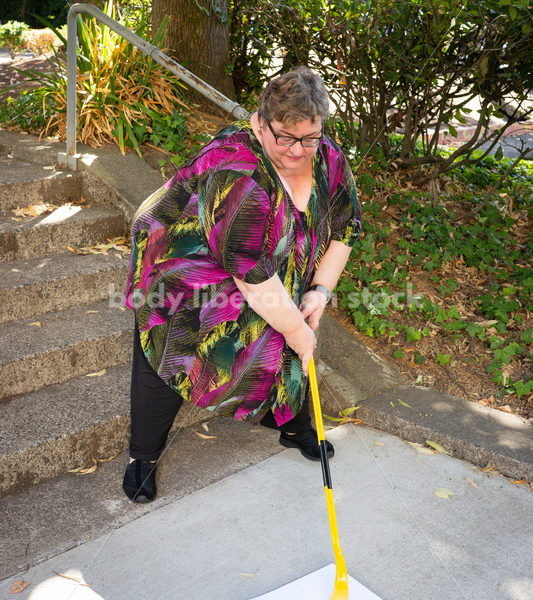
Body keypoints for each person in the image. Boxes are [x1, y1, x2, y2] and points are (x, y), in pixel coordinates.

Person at [122, 66, 362, 502]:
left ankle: (293, 427)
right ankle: (143, 457)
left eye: (309, 138)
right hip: (183, 267)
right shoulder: (237, 170)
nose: (297, 150)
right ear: (262, 119)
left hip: (259, 265)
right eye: (286, 138)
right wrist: (297, 329)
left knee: (284, 340)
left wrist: (320, 292)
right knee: (175, 351)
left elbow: (347, 229)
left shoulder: (326, 156)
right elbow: (251, 275)